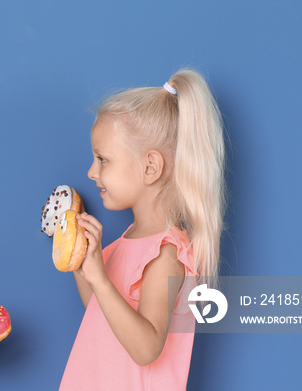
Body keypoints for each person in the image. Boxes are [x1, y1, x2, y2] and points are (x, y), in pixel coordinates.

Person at [59, 70, 226, 390]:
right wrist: (83, 268)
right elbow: (101, 316)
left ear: (150, 167)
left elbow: (147, 348)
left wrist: (100, 277)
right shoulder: (126, 241)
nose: (92, 172)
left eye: (103, 159)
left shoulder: (168, 254)